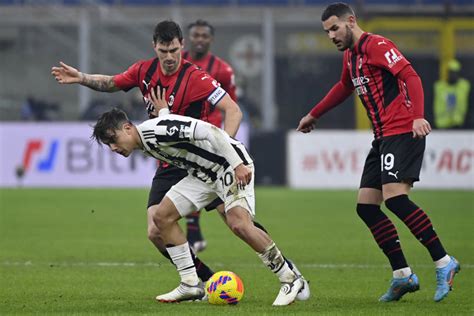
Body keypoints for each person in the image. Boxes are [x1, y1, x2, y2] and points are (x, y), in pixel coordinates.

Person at [52, 20, 310, 301]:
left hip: (213, 159)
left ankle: (288, 273)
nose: (169, 57)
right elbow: (112, 83)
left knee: (237, 222)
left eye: (174, 50)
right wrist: (81, 77)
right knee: (157, 225)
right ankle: (198, 281)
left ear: (181, 46)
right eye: (163, 50)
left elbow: (230, 112)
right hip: (181, 163)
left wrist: (231, 154)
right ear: (155, 47)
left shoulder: (196, 78)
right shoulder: (144, 73)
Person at [297, 3, 460, 303]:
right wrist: (314, 114)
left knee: (396, 199)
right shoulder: (350, 57)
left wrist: (418, 116)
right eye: (327, 32)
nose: (331, 35)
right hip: (382, 137)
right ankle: (402, 275)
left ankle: (443, 262)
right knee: (367, 206)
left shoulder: (378, 45)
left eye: (335, 28)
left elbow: (411, 76)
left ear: (351, 21)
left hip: (403, 131)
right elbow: (344, 87)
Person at [91, 102, 305, 306]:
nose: (113, 148)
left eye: (113, 139)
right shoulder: (146, 139)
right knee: (162, 218)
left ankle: (289, 278)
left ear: (128, 128)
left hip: (227, 166)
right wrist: (165, 112)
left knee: (239, 224)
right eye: (108, 144)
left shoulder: (157, 130)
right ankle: (191, 283)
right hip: (203, 176)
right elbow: (174, 133)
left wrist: (237, 164)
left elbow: (211, 131)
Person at [181, 19, 238, 253]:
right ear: (188, 38)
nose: (200, 40)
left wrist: (226, 139)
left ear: (211, 39)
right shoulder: (177, 62)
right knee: (185, 178)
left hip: (209, 134)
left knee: (211, 186)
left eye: (204, 36)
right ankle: (193, 232)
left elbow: (231, 105)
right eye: (196, 35)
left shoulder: (222, 70)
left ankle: (244, 226)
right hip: (183, 131)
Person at [433, 59, 471, 129]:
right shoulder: (439, 86)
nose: (453, 75)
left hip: (459, 124)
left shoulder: (464, 86)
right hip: (441, 125)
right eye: (450, 72)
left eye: (455, 72)